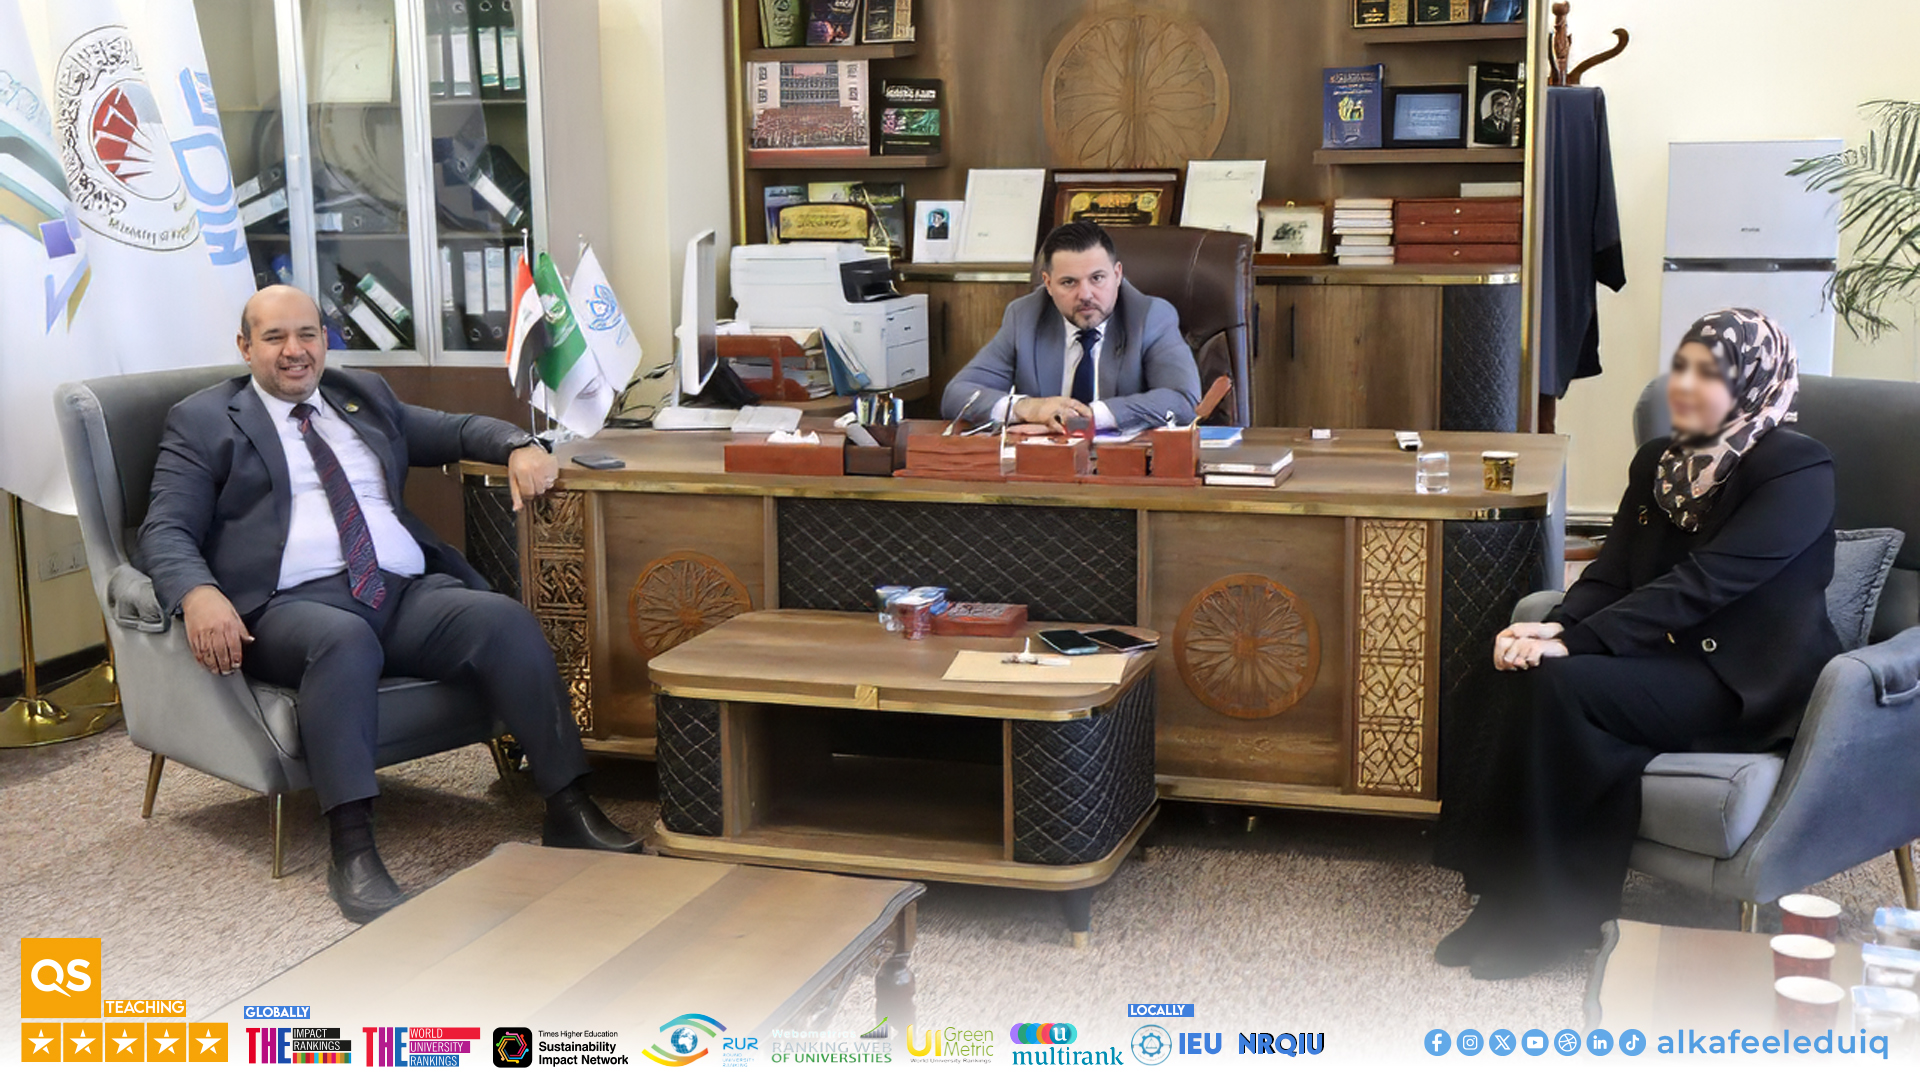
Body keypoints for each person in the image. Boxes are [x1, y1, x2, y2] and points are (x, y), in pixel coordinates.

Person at [136, 285, 644, 924]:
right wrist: (198, 592)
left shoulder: (361, 395)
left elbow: (456, 430)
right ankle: (352, 852)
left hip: (398, 591)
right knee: (343, 641)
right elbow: (166, 529)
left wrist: (520, 444)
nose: (295, 350)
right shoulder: (204, 420)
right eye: (274, 338)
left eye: (307, 334)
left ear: (324, 339)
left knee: (503, 621)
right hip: (291, 605)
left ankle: (569, 807)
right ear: (245, 347)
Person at [1432, 308, 1840, 979]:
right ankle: (1502, 896)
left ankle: (1551, 922)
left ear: (1753, 382)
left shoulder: (1796, 468)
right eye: (1682, 367)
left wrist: (1578, 645)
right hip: (1659, 656)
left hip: (1738, 682)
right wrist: (1557, 624)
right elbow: (1613, 571)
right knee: (1507, 673)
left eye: (1710, 372)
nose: (1686, 384)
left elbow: (1706, 584)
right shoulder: (1660, 461)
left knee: (1562, 688)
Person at [939, 221, 1202, 433]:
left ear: (1117, 275)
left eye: (1097, 278)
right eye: (1069, 282)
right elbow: (957, 395)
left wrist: (1089, 416)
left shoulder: (1151, 316)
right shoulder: (1025, 316)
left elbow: (1183, 401)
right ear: (1048, 283)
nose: (1085, 294)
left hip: (1125, 467)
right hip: (1045, 466)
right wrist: (1028, 408)